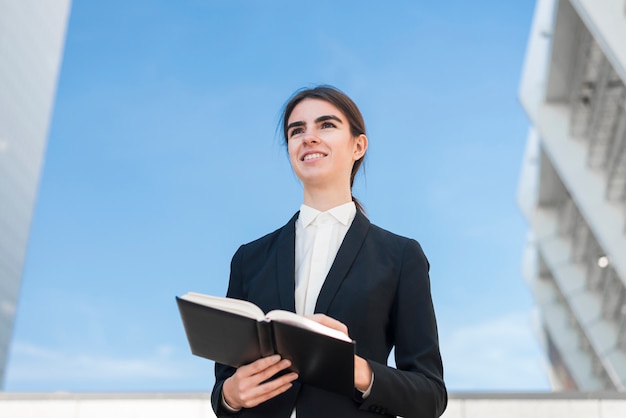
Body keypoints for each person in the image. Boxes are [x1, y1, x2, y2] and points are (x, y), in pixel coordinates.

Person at [211, 86, 447, 418]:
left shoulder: (400, 255)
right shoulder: (249, 259)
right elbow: (224, 386)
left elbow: (430, 397)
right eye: (297, 130)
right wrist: (231, 395)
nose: (309, 137)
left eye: (326, 125)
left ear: (358, 145)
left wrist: (357, 370)